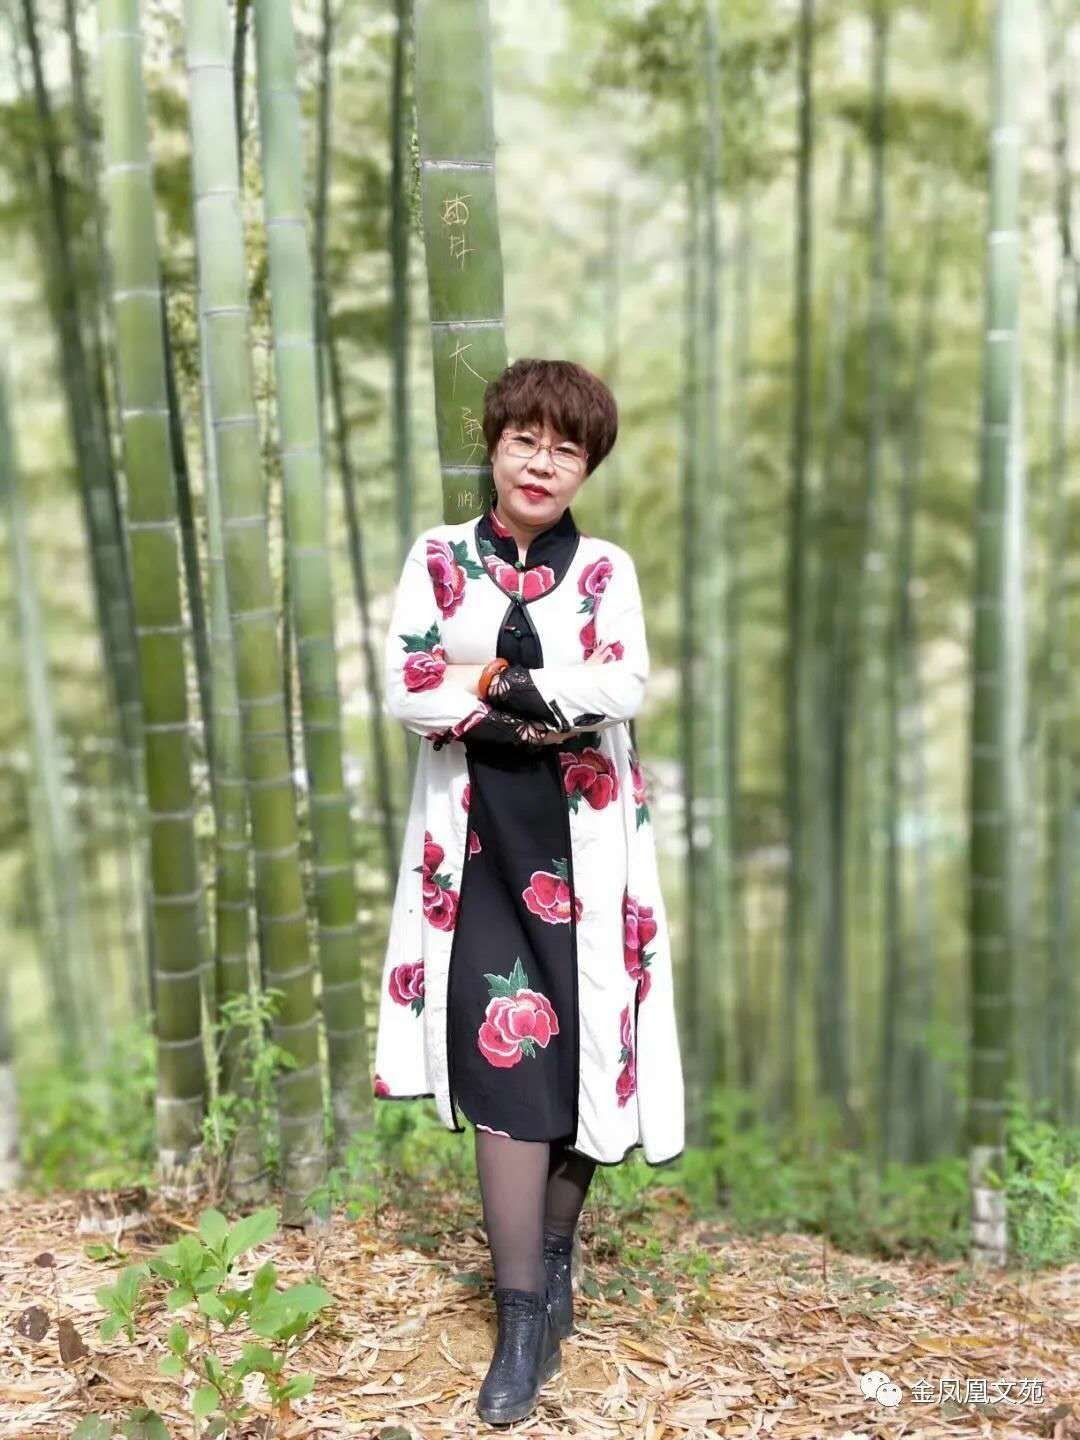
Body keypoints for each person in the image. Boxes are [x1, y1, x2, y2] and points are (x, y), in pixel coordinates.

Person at [373, 358, 685, 1424]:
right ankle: (518, 1322)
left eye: (567, 449)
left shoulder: (604, 569)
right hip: (479, 845)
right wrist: (544, 708)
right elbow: (408, 688)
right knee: (504, 1052)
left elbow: (622, 685)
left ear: (585, 467)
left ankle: (554, 1262)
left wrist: (493, 682)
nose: (542, 464)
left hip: (586, 842)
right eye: (525, 441)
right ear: (495, 446)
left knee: (588, 1043)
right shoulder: (439, 558)